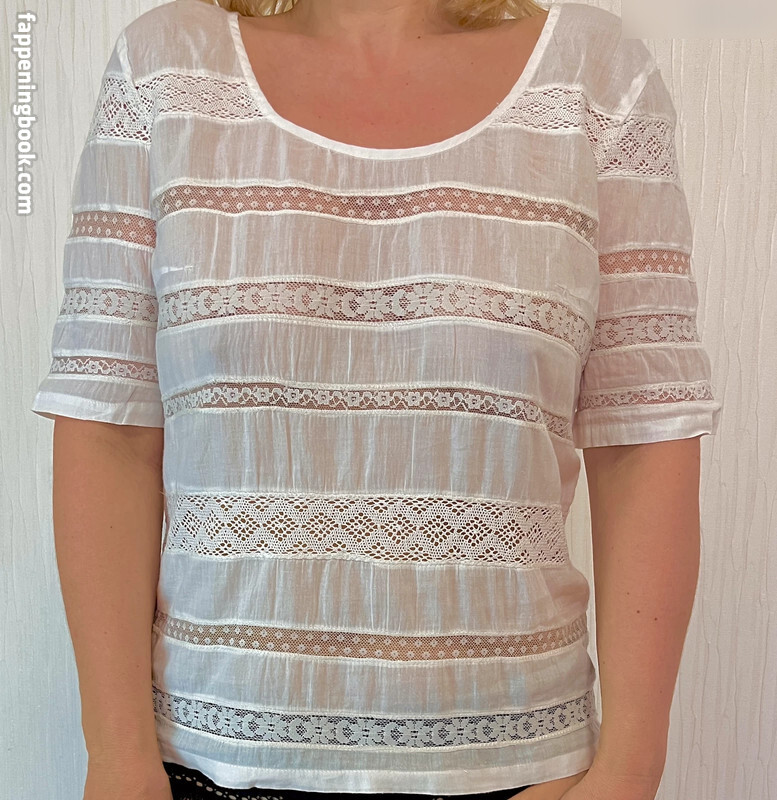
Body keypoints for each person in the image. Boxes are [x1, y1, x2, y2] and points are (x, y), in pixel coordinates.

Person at [31, 0, 722, 798]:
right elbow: (108, 423)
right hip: (205, 760)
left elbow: (642, 431)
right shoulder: (162, 68)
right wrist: (115, 758)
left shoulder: (595, 78)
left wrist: (629, 771)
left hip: (520, 767)